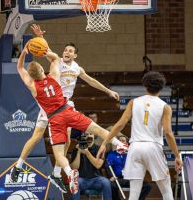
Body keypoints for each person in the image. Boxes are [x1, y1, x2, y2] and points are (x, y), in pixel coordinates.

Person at [10, 24, 120, 193]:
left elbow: (91, 81)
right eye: (65, 50)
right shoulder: (57, 64)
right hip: (49, 107)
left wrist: (108, 91)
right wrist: (41, 40)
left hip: (65, 106)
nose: (67, 52)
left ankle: (56, 173)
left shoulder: (77, 68)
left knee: (67, 142)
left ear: (75, 55)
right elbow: (48, 54)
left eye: (70, 51)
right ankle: (19, 166)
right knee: (36, 137)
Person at [97, 71, 183, 200]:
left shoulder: (134, 102)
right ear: (161, 87)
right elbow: (168, 133)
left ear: (145, 85)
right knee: (165, 189)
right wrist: (177, 155)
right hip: (153, 147)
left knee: (134, 193)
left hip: (135, 147)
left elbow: (120, 124)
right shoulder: (165, 107)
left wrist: (105, 142)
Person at [106, 135, 151, 200]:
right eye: (119, 141)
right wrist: (111, 176)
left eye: (123, 141)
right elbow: (108, 167)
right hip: (117, 179)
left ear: (127, 143)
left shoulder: (131, 154)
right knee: (110, 185)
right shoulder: (112, 154)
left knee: (147, 186)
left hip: (130, 179)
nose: (121, 142)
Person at [70, 133, 112, 200]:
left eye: (91, 134)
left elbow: (98, 165)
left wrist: (87, 153)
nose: (89, 136)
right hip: (81, 179)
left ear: (94, 135)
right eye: (86, 134)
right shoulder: (76, 149)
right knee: (75, 183)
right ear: (83, 137)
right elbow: (74, 168)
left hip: (96, 179)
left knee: (106, 182)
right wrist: (78, 152)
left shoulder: (99, 149)